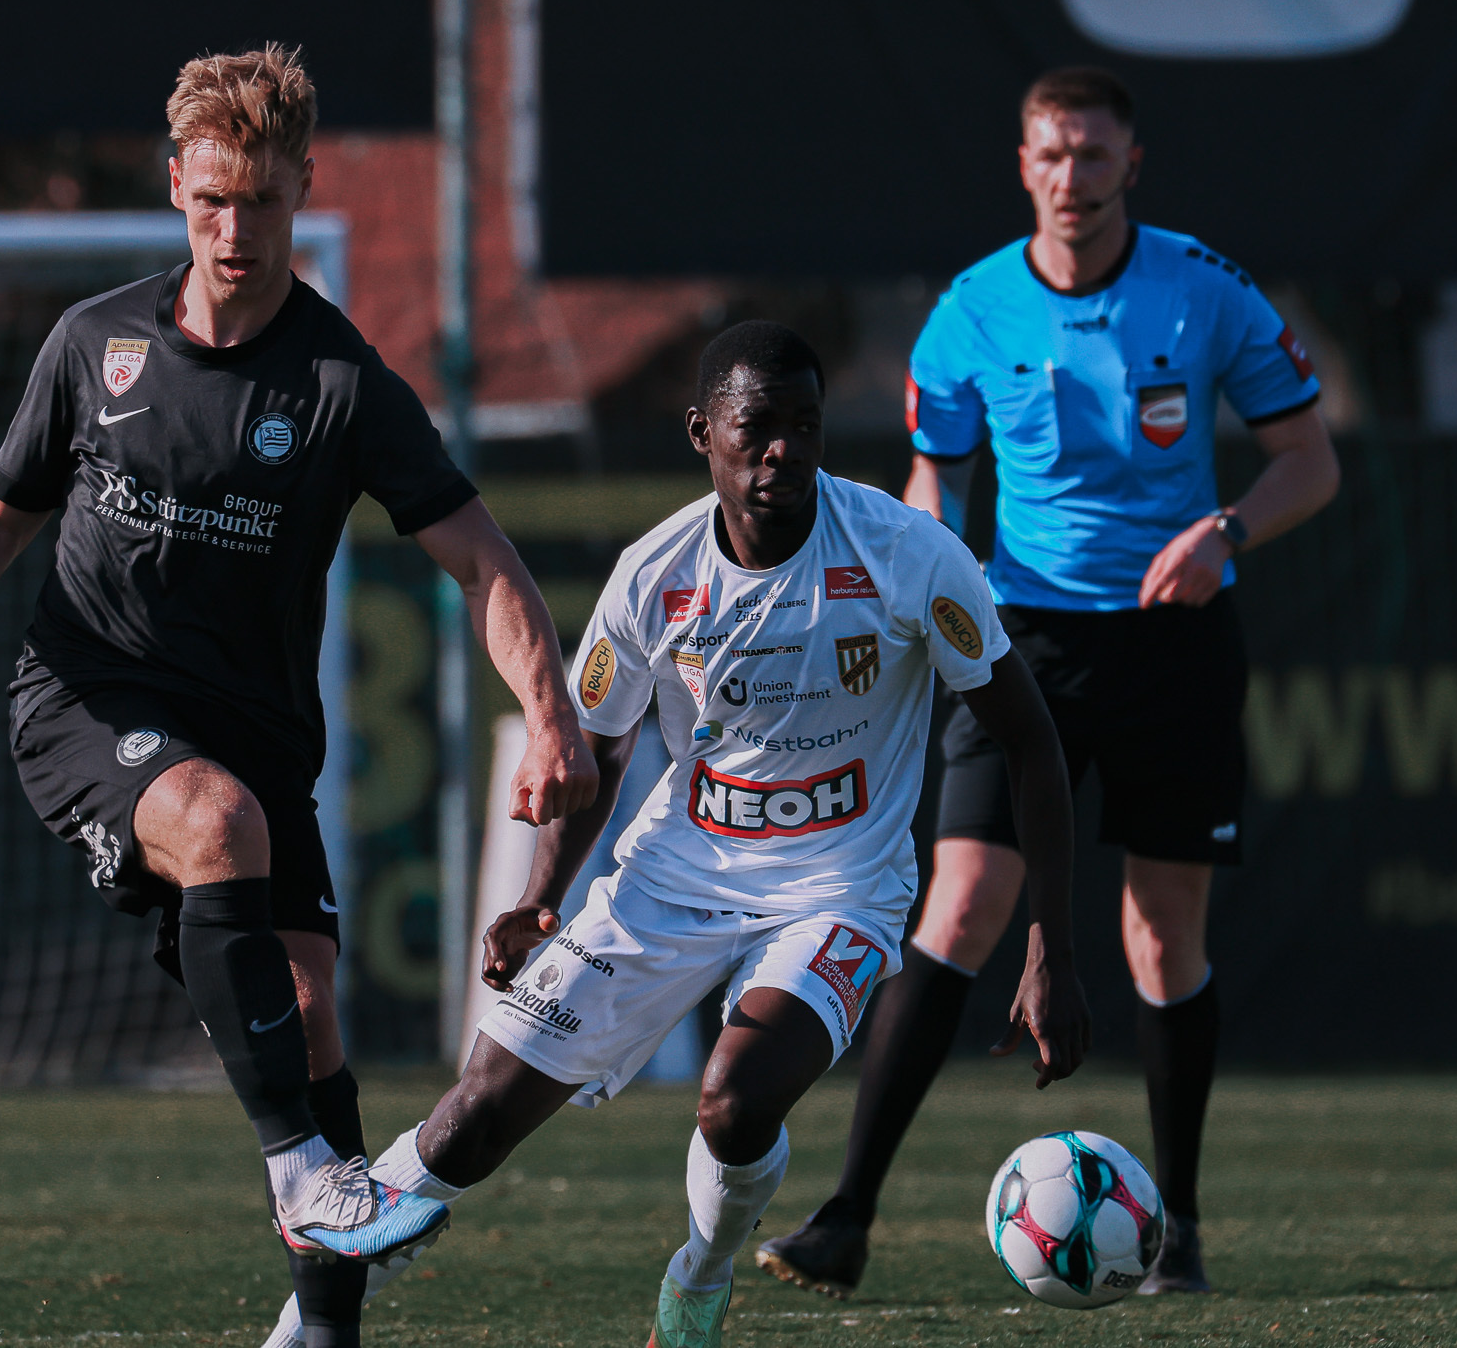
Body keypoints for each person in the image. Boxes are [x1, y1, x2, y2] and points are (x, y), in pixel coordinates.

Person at [0, 45, 597, 1348]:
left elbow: (482, 561)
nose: (232, 230)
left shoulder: (342, 384)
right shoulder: (94, 343)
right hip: (84, 702)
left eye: (257, 200)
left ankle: (324, 1327)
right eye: (209, 201)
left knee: (307, 1015)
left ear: (300, 187)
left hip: (255, 734)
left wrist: (548, 713)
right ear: (175, 188)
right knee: (215, 821)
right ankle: (303, 1173)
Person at [353, 321, 1090, 1347]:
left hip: (838, 890)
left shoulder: (908, 554)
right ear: (703, 432)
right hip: (674, 875)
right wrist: (537, 897)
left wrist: (1049, 942)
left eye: (806, 425)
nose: (784, 448)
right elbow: (598, 751)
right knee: (472, 1118)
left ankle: (700, 1272)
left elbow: (1029, 739)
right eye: (757, 426)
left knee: (735, 1105)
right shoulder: (652, 576)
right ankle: (309, 1319)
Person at [756, 66, 1340, 1299]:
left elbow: (1308, 460)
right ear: (1021, 167)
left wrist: (1225, 530)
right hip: (1018, 641)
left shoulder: (1204, 289)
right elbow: (934, 483)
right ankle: (844, 1216)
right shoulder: (969, 311)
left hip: (1174, 639)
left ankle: (1176, 1228)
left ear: (1131, 163)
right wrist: (926, 587)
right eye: (1050, 155)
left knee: (1158, 930)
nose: (1071, 177)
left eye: (1092, 154)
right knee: (962, 902)